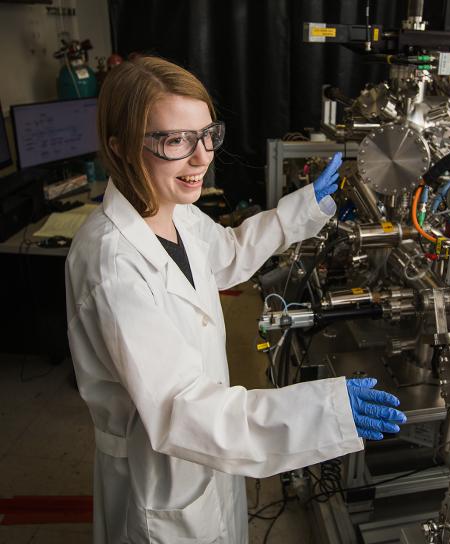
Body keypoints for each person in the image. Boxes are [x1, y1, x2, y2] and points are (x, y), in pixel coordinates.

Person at [65, 55, 407, 544]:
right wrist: (319, 412)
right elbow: (181, 409)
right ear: (119, 146)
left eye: (207, 134)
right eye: (175, 140)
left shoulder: (171, 210)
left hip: (206, 451)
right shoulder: (113, 265)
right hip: (159, 472)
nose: (202, 156)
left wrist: (305, 209)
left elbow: (224, 254)